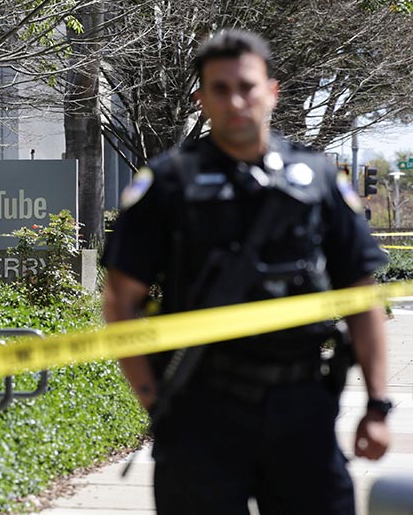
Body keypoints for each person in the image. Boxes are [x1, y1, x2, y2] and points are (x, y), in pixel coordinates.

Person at [102, 29, 392, 515]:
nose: (236, 100)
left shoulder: (318, 178)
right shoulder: (169, 182)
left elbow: (363, 298)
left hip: (302, 405)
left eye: (247, 86)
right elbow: (119, 300)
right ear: (201, 99)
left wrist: (377, 405)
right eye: (220, 89)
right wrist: (156, 404)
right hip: (200, 408)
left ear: (272, 92)